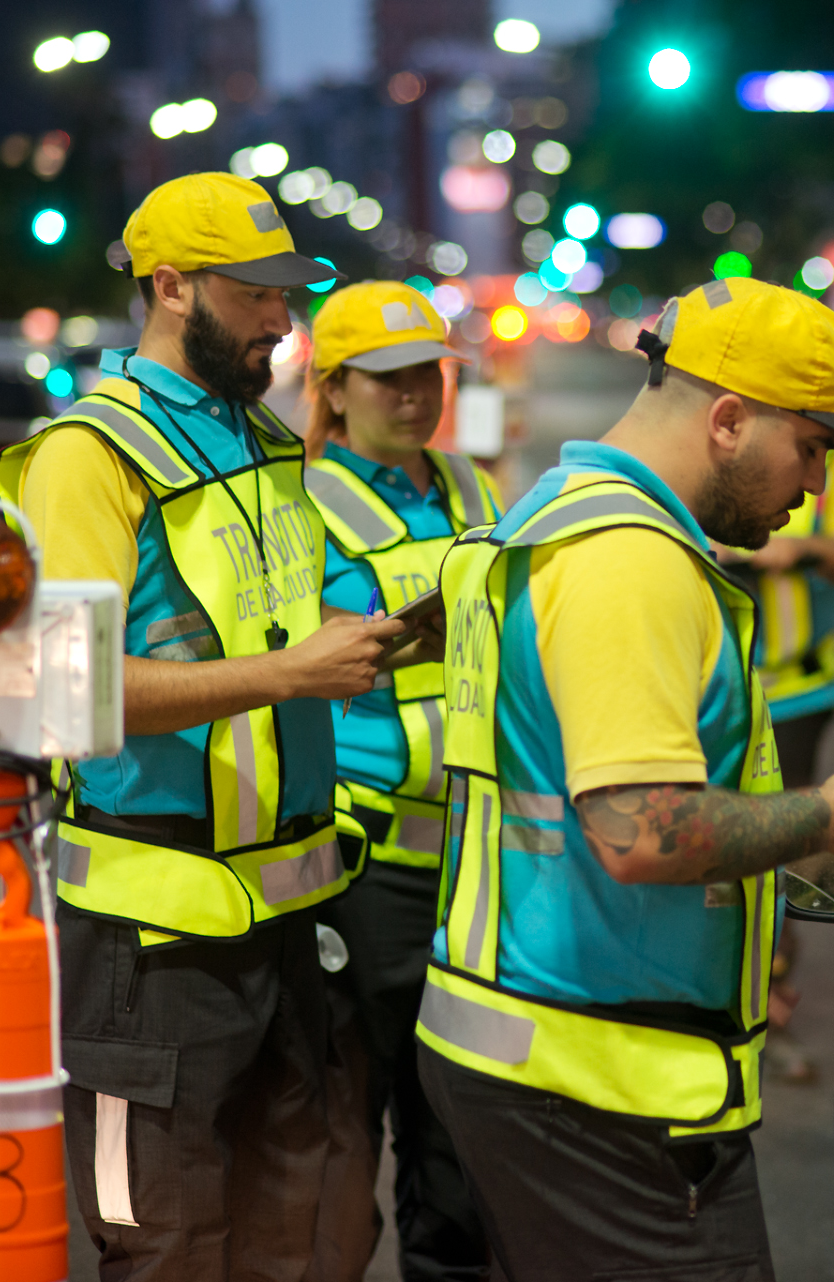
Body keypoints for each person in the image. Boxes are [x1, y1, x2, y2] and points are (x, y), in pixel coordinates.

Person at [414, 276, 834, 1279]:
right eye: (810, 445)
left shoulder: (567, 510)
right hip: (596, 1079)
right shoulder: (630, 561)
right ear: (727, 420)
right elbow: (639, 830)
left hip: (553, 1049)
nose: (814, 482)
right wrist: (828, 817)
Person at [0, 172, 406, 1279]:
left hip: (287, 916)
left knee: (308, 1241)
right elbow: (65, 687)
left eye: (289, 295)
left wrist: (348, 643)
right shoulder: (91, 454)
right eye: (259, 295)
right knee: (170, 1247)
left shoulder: (259, 443)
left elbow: (246, 627)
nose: (285, 320)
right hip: (155, 935)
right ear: (171, 287)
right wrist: (286, 672)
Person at [298, 280, 502, 1280]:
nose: (416, 395)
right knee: (341, 1143)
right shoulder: (298, 505)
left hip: (476, 866)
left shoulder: (476, 489)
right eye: (388, 379)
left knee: (458, 1145)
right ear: (334, 391)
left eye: (428, 372)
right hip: (362, 868)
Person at [723, 442, 834, 1079]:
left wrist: (799, 549)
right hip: (714, 686)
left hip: (796, 693)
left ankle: (765, 996)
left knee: (777, 846)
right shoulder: (721, 454)